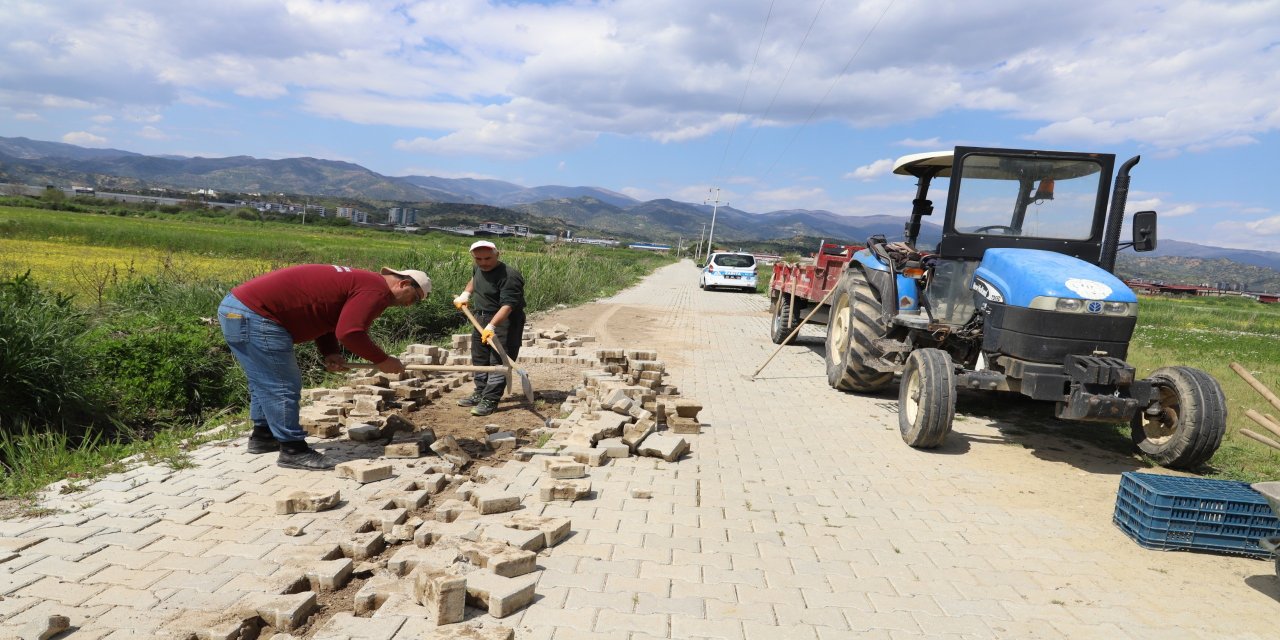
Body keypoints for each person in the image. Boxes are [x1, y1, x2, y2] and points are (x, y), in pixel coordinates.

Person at [218, 264, 431, 470]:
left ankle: (264, 437)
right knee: (282, 385)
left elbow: (329, 317)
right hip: (256, 315)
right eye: (415, 298)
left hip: (239, 308)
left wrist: (330, 352)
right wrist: (383, 360)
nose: (410, 305)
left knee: (266, 380)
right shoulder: (377, 291)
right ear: (403, 284)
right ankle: (293, 451)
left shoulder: (364, 282)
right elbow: (350, 332)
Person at [452, 240, 526, 417]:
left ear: (497, 255)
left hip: (505, 320)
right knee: (480, 357)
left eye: (488, 258)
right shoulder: (479, 267)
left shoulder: (510, 276)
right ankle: (480, 392)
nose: (483, 263)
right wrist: (466, 294)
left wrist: (492, 326)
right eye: (479, 259)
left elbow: (508, 306)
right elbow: (475, 279)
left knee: (498, 361)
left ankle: (491, 399)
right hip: (480, 316)